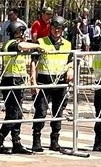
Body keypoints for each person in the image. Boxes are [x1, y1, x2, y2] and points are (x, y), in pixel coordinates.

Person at [0, 19, 39, 154]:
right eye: (22, 32)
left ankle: (16, 141)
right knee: (13, 115)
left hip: (18, 82)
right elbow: (21, 47)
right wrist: (37, 46)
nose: (24, 34)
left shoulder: (17, 43)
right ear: (17, 32)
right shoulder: (11, 44)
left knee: (17, 114)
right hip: (10, 82)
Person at [32, 13, 74, 152]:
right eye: (54, 28)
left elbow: (71, 61)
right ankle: (36, 140)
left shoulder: (67, 44)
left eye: (59, 29)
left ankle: (54, 141)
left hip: (60, 82)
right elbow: (33, 61)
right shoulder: (42, 42)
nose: (56, 31)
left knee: (58, 113)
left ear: (63, 30)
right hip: (44, 81)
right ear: (50, 28)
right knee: (41, 112)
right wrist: (33, 81)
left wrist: (70, 69)